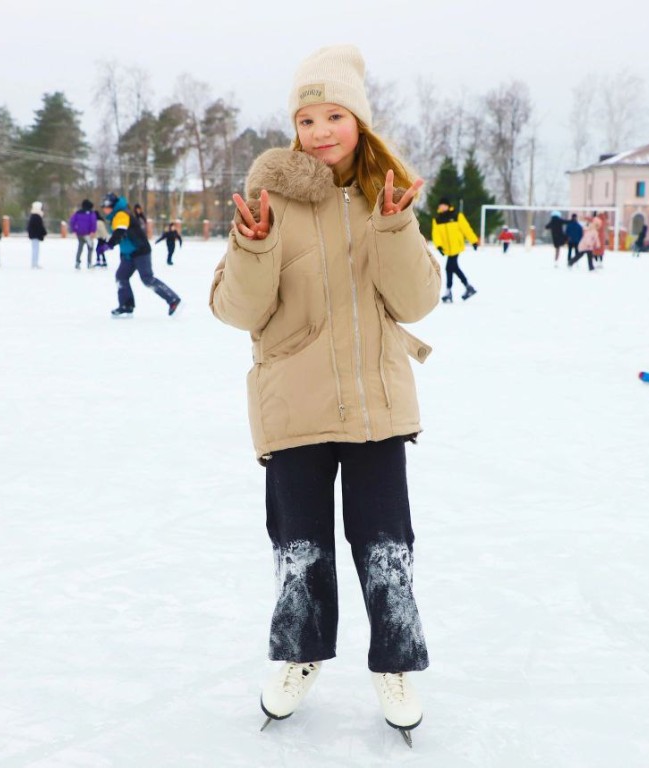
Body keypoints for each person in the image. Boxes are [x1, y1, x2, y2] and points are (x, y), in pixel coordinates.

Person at [209, 44, 437, 743]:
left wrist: (396, 228)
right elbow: (234, 310)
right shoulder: (272, 200)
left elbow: (417, 299)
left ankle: (395, 664)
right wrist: (253, 246)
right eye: (306, 119)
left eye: (334, 115)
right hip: (294, 405)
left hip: (375, 405)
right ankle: (300, 656)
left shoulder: (387, 198)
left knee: (385, 547)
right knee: (300, 547)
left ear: (359, 122)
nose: (320, 131)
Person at [98, 193, 181, 317]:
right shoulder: (116, 215)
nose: (103, 209)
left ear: (111, 206)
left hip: (140, 251)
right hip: (129, 254)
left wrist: (109, 245)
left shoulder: (122, 214)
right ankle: (126, 305)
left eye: (105, 206)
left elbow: (120, 232)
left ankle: (173, 299)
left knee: (147, 278)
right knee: (121, 276)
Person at [430, 197, 477, 302]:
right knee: (452, 268)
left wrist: (473, 241)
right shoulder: (437, 219)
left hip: (456, 247)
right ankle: (467, 287)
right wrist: (439, 246)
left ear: (448, 206)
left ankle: (449, 291)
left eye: (444, 205)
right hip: (447, 249)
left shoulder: (457, 216)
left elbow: (466, 228)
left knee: (449, 268)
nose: (441, 207)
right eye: (440, 205)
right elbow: (435, 234)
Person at [69, 199, 98, 269]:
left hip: (80, 233)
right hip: (88, 234)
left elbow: (72, 221)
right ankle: (89, 263)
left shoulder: (78, 213)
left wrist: (74, 230)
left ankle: (77, 262)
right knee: (90, 248)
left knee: (80, 248)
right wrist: (93, 231)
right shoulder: (91, 213)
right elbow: (93, 223)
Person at [26, 201, 47, 269]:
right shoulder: (37, 216)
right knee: (35, 250)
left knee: (35, 249)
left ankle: (34, 263)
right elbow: (39, 226)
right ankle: (34, 263)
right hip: (35, 235)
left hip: (34, 235)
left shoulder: (33, 216)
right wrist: (44, 232)